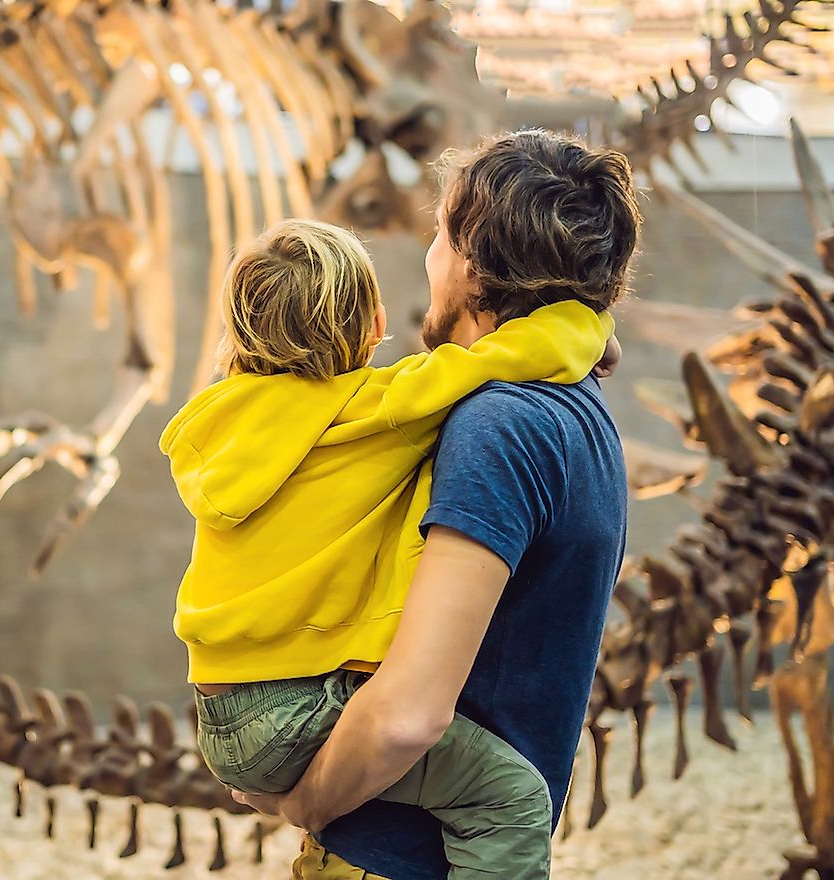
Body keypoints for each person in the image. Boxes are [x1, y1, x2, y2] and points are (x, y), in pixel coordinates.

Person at [227, 130, 639, 879]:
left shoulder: (499, 427)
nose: (428, 259)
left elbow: (410, 716)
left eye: (440, 236)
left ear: (475, 262)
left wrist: (307, 801)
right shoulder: (577, 405)